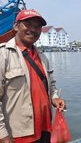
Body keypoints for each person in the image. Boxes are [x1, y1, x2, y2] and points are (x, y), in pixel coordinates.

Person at [0, 9, 65, 143]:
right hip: (19, 135)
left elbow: (50, 85)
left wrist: (55, 98)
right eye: (28, 24)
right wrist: (2, 134)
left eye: (37, 27)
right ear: (16, 26)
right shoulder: (3, 55)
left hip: (45, 129)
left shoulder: (42, 57)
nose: (33, 29)